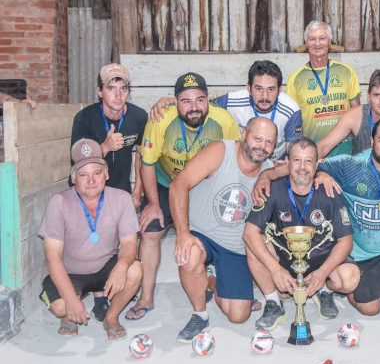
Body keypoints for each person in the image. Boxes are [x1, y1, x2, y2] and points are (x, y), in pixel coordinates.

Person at [255, 118, 380, 322]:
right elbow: (304, 164)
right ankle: (333, 287)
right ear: (372, 141)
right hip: (365, 250)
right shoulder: (350, 165)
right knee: (370, 309)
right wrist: (268, 174)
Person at [126, 72, 240, 321]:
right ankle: (146, 295)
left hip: (207, 187)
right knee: (150, 230)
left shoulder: (223, 120)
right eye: (186, 101)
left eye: (200, 100)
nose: (194, 107)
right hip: (167, 183)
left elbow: (234, 160)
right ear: (175, 101)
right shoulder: (159, 119)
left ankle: (220, 280)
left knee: (227, 228)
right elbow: (147, 163)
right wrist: (154, 204)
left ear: (208, 99)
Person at [169, 117, 276, 342]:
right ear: (244, 133)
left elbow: (302, 166)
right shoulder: (220, 150)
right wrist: (183, 233)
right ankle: (200, 315)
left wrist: (322, 173)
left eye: (269, 142)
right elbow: (179, 184)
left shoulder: (270, 169)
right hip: (201, 233)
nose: (262, 146)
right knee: (189, 256)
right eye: (257, 138)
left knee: (238, 315)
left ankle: (210, 279)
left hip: (235, 246)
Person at [243, 137, 359, 330]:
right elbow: (249, 233)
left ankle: (322, 290)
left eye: (308, 161)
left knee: (350, 279)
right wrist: (275, 269)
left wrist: (323, 273)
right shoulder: (271, 190)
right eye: (297, 160)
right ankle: (273, 304)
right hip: (287, 260)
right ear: (287, 162)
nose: (302, 167)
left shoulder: (330, 191)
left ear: (317, 164)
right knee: (254, 243)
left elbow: (346, 241)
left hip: (322, 261)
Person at [38, 139, 142, 339]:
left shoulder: (122, 199)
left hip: (104, 266)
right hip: (70, 271)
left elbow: (129, 243)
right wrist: (71, 300)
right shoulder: (58, 203)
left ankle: (111, 317)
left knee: (134, 270)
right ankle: (69, 316)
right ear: (73, 177)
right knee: (61, 306)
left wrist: (121, 266)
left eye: (97, 173)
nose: (91, 180)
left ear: (107, 174)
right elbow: (53, 257)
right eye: (83, 175)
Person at [70, 63, 147, 323]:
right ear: (100, 91)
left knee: (125, 243)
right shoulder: (85, 118)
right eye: (111, 88)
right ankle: (99, 294)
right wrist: (103, 147)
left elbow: (142, 154)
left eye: (123, 88)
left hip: (123, 191)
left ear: (128, 91)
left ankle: (114, 290)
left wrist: (138, 189)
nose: (117, 95)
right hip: (90, 192)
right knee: (96, 243)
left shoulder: (138, 116)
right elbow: (77, 164)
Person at [148, 60, 304, 161]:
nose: (265, 96)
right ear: (248, 88)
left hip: (275, 164)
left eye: (271, 89)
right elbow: (200, 105)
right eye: (258, 89)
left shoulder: (291, 109)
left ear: (280, 89)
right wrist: (171, 102)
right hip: (243, 164)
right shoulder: (230, 101)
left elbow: (294, 152)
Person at [286, 21, 361, 157]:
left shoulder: (347, 72)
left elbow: (357, 113)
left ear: (329, 42)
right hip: (313, 153)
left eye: (322, 38)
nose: (317, 43)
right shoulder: (295, 79)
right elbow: (292, 122)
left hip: (346, 151)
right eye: (312, 39)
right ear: (306, 43)